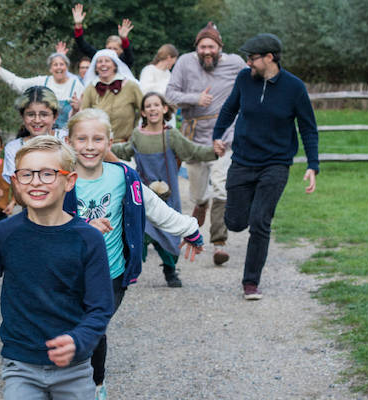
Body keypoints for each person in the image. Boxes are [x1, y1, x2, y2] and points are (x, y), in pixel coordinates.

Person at [0, 135, 114, 400]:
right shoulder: (4, 234)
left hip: (75, 367)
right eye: (26, 174)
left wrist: (79, 340)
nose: (35, 181)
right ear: (15, 181)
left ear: (69, 181)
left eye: (48, 174)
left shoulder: (88, 239)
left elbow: (100, 306)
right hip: (20, 364)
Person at [64, 108, 204, 399]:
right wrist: (82, 227)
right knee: (74, 330)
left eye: (97, 139)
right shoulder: (61, 180)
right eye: (82, 139)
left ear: (110, 142)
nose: (90, 146)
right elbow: (42, 223)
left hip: (111, 274)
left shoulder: (123, 177)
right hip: (67, 274)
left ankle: (96, 385)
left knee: (92, 328)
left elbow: (155, 208)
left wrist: (189, 229)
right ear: (69, 141)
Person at [212, 33, 319, 300]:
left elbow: (308, 128)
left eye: (252, 57)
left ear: (270, 57)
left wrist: (312, 164)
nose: (248, 62)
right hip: (243, 160)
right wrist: (217, 134)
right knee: (235, 222)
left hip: (276, 163)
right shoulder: (244, 80)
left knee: (260, 222)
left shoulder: (294, 88)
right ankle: (245, 212)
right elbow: (229, 108)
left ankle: (250, 283)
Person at [111, 92, 218, 287]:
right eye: (148, 106)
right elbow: (125, 150)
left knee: (169, 233)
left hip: (168, 194)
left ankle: (170, 270)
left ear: (164, 109)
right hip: (143, 193)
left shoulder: (171, 135)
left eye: (156, 105)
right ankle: (128, 270)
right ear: (143, 111)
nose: (152, 109)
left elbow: (192, 150)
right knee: (140, 231)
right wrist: (105, 148)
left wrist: (213, 152)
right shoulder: (137, 135)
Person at [166, 22, 246, 265]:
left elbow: (251, 83)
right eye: (202, 47)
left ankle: (219, 243)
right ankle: (201, 203)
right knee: (199, 192)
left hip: (225, 136)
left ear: (220, 47)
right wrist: (195, 99)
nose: (206, 51)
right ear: (196, 48)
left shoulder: (235, 63)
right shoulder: (184, 63)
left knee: (222, 187)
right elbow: (170, 95)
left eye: (211, 46)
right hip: (194, 135)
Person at [0, 51, 84, 128]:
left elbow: (83, 112)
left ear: (66, 67)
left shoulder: (76, 85)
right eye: (55, 64)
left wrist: (78, 108)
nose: (58, 67)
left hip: (68, 134)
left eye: (61, 64)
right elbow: (19, 84)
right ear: (50, 69)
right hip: (43, 133)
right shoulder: (42, 81)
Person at [2, 86, 65, 184]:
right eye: (31, 115)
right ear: (22, 116)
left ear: (55, 116)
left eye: (44, 114)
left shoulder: (66, 139)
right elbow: (17, 188)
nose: (37, 120)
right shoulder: (14, 149)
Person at [80, 49, 143, 143]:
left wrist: (136, 131)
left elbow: (144, 109)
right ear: (96, 68)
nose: (103, 64)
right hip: (99, 144)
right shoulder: (91, 88)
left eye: (107, 61)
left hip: (125, 143)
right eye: (100, 62)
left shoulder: (130, 86)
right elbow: (84, 115)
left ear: (115, 65)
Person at [71, 3, 135, 68]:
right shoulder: (100, 57)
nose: (111, 51)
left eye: (115, 49)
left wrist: (124, 39)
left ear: (121, 50)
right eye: (109, 48)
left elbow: (129, 56)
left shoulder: (124, 61)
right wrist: (78, 25)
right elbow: (83, 45)